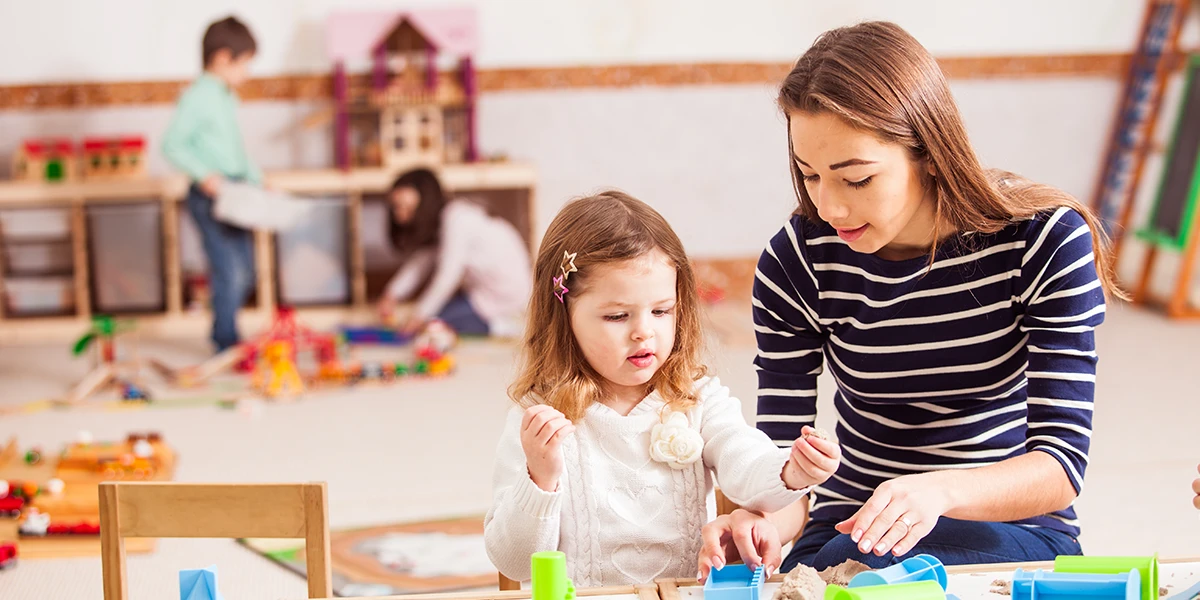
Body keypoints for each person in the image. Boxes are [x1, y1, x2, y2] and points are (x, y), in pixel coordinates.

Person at [698, 21, 1124, 577]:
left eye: (856, 179)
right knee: (844, 567)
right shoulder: (797, 261)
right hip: (849, 528)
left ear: (927, 150)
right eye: (810, 176)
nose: (830, 208)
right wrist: (757, 524)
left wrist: (935, 494)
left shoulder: (1042, 242)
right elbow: (782, 470)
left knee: (871, 568)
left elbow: (1060, 466)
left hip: (1010, 531)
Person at [484, 191, 841, 586]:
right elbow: (514, 562)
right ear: (564, 317)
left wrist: (791, 470)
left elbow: (745, 463)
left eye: (661, 311)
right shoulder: (537, 417)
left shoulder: (696, 398)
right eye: (617, 315)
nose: (644, 331)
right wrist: (541, 477)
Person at [162, 16, 262, 352]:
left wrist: (257, 181)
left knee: (246, 269)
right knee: (229, 270)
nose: (246, 74)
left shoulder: (223, 95)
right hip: (210, 196)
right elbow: (172, 144)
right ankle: (225, 339)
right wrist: (204, 175)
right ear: (222, 58)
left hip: (236, 190)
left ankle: (227, 331)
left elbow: (234, 148)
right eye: (244, 64)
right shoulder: (197, 96)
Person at [377, 168, 532, 338]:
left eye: (406, 208)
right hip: (481, 293)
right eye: (396, 208)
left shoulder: (457, 219)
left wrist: (418, 316)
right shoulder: (446, 220)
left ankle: (501, 326)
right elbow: (421, 262)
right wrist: (392, 294)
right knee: (438, 313)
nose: (400, 216)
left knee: (435, 323)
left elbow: (448, 276)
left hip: (505, 298)